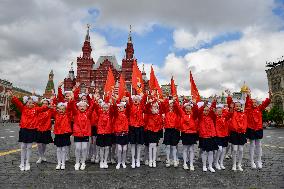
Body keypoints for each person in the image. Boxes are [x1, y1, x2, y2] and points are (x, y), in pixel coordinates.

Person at [8, 91, 49, 171]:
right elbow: (17, 102)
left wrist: (49, 106)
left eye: (32, 103)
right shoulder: (23, 108)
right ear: (26, 103)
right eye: (29, 103)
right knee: (23, 146)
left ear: (34, 103)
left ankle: (27, 162)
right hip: (24, 129)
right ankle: (22, 163)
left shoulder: (36, 109)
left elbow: (43, 108)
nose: (30, 104)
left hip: (32, 130)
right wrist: (12, 96)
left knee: (29, 147)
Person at [246, 91, 271, 169]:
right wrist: (249, 96)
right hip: (251, 129)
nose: (254, 103)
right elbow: (248, 103)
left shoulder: (259, 109)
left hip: (258, 128)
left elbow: (265, 104)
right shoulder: (249, 109)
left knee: (259, 145)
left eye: (256, 102)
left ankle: (259, 161)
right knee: (252, 145)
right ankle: (252, 161)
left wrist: (270, 97)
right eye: (253, 102)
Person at [69, 99, 94, 171]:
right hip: (77, 134)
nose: (82, 107)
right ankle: (77, 162)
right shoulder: (76, 113)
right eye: (80, 106)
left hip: (85, 134)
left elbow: (92, 107)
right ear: (78, 107)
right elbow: (72, 106)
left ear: (86, 107)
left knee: (84, 148)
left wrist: (93, 99)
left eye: (84, 106)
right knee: (77, 148)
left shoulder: (88, 114)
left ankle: (83, 162)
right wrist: (73, 97)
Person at [175, 99, 198, 170]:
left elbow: (197, 111)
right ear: (184, 109)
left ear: (191, 109)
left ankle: (191, 164)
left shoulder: (193, 115)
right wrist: (175, 101)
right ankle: (185, 163)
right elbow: (178, 108)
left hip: (192, 134)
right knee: (185, 149)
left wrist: (195, 104)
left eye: (189, 109)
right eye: (186, 109)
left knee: (191, 149)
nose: (188, 110)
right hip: (185, 133)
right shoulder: (183, 114)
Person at [126, 93, 147, 168]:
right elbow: (129, 103)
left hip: (140, 127)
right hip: (132, 127)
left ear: (139, 100)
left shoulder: (141, 107)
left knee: (138, 145)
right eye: (134, 99)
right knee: (132, 145)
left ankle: (138, 159)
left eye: (137, 99)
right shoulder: (130, 107)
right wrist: (127, 94)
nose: (136, 100)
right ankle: (133, 160)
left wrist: (145, 94)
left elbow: (144, 101)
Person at [227, 96, 248, 171]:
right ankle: (234, 164)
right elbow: (230, 104)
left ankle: (239, 164)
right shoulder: (232, 113)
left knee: (241, 150)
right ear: (235, 106)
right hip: (234, 133)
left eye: (239, 106)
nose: (238, 107)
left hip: (241, 133)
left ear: (241, 106)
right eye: (237, 106)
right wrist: (229, 96)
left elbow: (245, 123)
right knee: (235, 149)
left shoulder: (244, 114)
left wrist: (243, 129)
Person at [198, 100, 218, 173]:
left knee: (211, 152)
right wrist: (203, 105)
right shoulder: (200, 117)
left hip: (211, 136)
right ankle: (204, 165)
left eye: (207, 110)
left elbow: (213, 111)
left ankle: (210, 166)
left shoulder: (212, 117)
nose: (206, 112)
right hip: (204, 136)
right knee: (204, 152)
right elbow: (199, 112)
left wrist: (214, 102)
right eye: (205, 110)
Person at [144, 99, 165, 168]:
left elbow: (162, 108)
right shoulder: (149, 114)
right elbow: (146, 109)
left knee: (155, 146)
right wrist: (149, 102)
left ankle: (154, 160)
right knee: (150, 146)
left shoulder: (159, 115)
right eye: (153, 107)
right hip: (150, 131)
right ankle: (150, 160)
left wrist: (160, 102)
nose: (154, 109)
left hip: (156, 131)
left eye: (156, 107)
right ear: (151, 108)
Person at [52, 102, 72, 170]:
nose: (61, 110)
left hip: (65, 134)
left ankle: (63, 163)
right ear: (57, 110)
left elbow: (70, 108)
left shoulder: (67, 115)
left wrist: (71, 98)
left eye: (63, 109)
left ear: (65, 110)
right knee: (58, 149)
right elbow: (53, 108)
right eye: (60, 109)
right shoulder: (56, 115)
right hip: (58, 134)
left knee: (63, 149)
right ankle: (58, 163)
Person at [95, 101, 114, 169]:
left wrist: (113, 102)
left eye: (107, 108)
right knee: (101, 148)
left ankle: (105, 160)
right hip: (100, 133)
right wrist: (96, 100)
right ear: (102, 108)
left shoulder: (110, 115)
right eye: (104, 107)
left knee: (107, 148)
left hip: (108, 133)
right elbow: (96, 107)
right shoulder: (99, 114)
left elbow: (113, 109)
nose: (105, 109)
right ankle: (101, 161)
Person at [163, 98, 181, 168]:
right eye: (169, 105)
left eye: (172, 105)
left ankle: (174, 160)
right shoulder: (166, 112)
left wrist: (175, 101)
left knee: (174, 146)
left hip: (174, 130)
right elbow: (164, 105)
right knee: (167, 146)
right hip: (168, 130)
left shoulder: (176, 112)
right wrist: (167, 99)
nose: (171, 107)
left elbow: (178, 108)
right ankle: (168, 160)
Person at [213, 104, 232, 170]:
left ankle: (221, 163)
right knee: (219, 149)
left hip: (225, 135)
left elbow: (230, 114)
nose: (219, 112)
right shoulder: (214, 117)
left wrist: (230, 107)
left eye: (220, 111)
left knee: (224, 150)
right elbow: (211, 113)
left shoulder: (225, 117)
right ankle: (216, 162)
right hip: (218, 136)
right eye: (217, 111)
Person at [36, 98, 53, 164]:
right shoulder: (38, 109)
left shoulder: (49, 110)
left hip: (46, 128)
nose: (45, 105)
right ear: (41, 104)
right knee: (39, 144)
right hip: (38, 128)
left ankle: (42, 156)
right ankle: (41, 156)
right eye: (44, 103)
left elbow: (54, 109)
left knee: (44, 143)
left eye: (46, 104)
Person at [113, 101, 129, 169]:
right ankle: (119, 162)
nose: (120, 108)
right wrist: (115, 101)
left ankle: (123, 162)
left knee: (125, 149)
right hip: (118, 133)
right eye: (119, 107)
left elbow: (129, 107)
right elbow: (113, 109)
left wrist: (127, 101)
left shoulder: (126, 113)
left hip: (125, 133)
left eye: (121, 107)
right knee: (119, 149)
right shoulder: (116, 114)